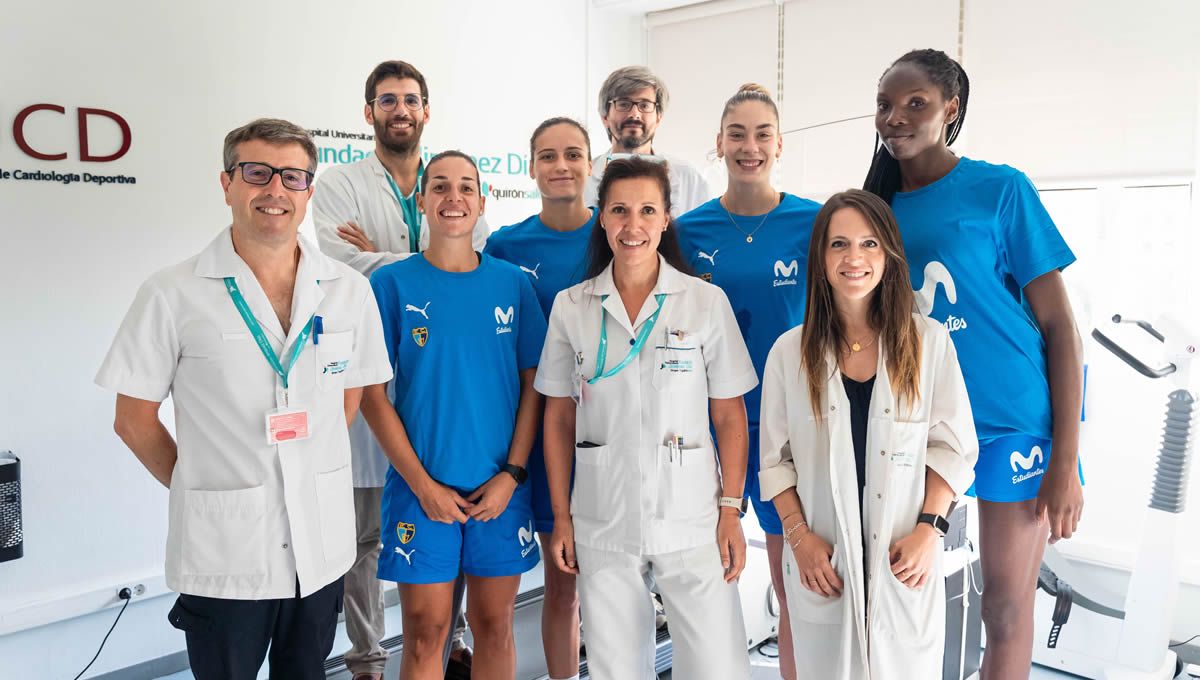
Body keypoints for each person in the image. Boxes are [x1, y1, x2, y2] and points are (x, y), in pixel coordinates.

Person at [97, 118, 392, 680]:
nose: (275, 189)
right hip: (226, 552)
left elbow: (349, 396)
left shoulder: (349, 290)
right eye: (257, 173)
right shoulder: (173, 292)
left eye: (293, 177)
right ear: (227, 183)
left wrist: (307, 464)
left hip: (322, 551)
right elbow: (133, 420)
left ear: (309, 190)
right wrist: (204, 483)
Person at [864, 48, 1084, 679]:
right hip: (917, 421)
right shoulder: (873, 208)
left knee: (1006, 610)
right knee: (898, 596)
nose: (896, 118)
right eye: (886, 104)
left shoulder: (1000, 189)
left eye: (915, 104)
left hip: (1010, 418)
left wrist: (1064, 462)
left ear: (950, 109)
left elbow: (1061, 327)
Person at [536, 157, 756, 680]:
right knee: (616, 668)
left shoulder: (703, 302)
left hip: (693, 517)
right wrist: (563, 517)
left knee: (716, 666)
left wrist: (730, 510)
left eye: (647, 211)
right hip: (602, 514)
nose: (632, 225)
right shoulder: (573, 306)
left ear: (665, 218)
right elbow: (558, 418)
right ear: (601, 219)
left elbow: (729, 415)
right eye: (619, 210)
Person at [311, 60, 485, 679]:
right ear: (369, 113)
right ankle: (365, 658)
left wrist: (389, 258)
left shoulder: (447, 180)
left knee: (450, 519)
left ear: (426, 110)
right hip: (366, 379)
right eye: (388, 100)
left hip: (435, 386)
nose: (400, 109)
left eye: (411, 99)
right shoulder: (339, 183)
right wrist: (425, 258)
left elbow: (470, 255)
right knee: (362, 540)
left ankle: (454, 639)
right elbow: (339, 266)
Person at [759, 189, 978, 678]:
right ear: (820, 258)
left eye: (869, 244)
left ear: (889, 255)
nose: (854, 258)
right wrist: (799, 539)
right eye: (838, 244)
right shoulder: (788, 354)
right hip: (823, 555)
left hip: (905, 553)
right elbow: (775, 463)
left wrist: (929, 531)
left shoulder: (930, 344)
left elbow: (954, 449)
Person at [360, 151, 545, 680]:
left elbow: (534, 386)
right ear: (421, 202)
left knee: (495, 627)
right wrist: (422, 485)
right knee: (425, 634)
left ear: (483, 201)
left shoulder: (512, 284)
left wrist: (511, 475)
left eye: (466, 187)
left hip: (500, 492)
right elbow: (373, 396)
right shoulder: (392, 286)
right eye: (439, 186)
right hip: (422, 490)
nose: (453, 197)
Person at [675, 82, 821, 680]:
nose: (749, 146)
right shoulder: (685, 232)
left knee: (798, 590)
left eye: (762, 134)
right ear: (719, 144)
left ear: (780, 143)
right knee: (708, 583)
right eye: (737, 134)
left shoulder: (815, 222)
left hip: (793, 426)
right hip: (707, 429)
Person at [483, 116, 596, 680]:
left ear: (590, 165)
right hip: (541, 428)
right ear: (530, 169)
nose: (561, 166)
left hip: (612, 427)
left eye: (573, 154)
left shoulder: (613, 235)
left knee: (620, 582)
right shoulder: (505, 245)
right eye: (548, 156)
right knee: (563, 585)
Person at [584, 65, 710, 216]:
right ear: (605, 117)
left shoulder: (689, 179)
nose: (634, 114)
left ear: (658, 117)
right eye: (623, 104)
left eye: (644, 105)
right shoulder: (584, 181)